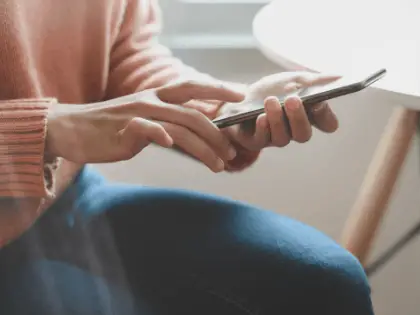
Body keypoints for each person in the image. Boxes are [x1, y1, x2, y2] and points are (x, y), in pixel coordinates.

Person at [0, 0, 375, 314]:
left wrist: (227, 111)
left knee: (324, 281)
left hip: (64, 199)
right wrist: (48, 129)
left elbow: (124, 51)